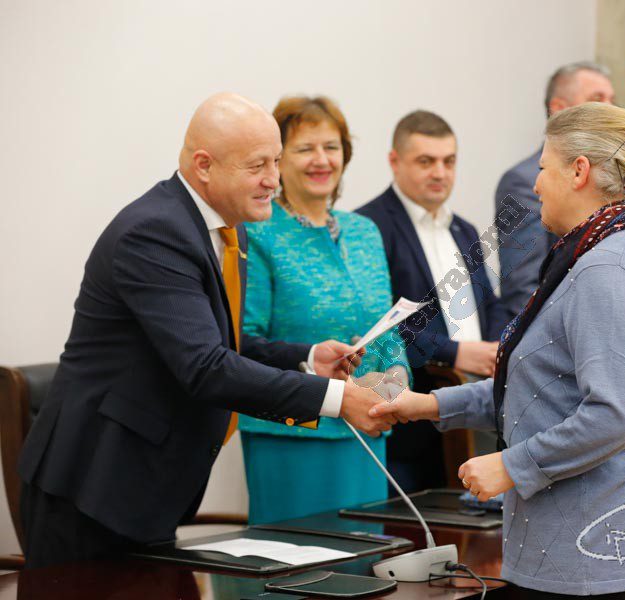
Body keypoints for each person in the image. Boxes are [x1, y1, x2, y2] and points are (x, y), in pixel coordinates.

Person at [17, 93, 395, 568]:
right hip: (94, 485)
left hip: (147, 486)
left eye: (276, 161)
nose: (274, 180)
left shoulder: (221, 227)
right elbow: (205, 367)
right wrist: (336, 398)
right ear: (203, 165)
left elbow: (221, 344)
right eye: (257, 166)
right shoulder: (155, 232)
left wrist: (305, 357)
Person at [372, 103, 625, 598]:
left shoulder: (608, 268)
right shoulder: (620, 246)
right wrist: (428, 404)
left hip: (593, 545)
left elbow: (617, 415)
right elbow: (542, 386)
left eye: (543, 168)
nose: (536, 184)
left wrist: (512, 465)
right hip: (595, 537)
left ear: (578, 172)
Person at [239, 96, 412, 524]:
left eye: (331, 147)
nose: (322, 160)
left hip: (368, 428)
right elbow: (243, 340)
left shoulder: (364, 231)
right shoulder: (257, 234)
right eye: (305, 148)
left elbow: (387, 329)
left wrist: (397, 380)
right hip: (293, 435)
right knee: (299, 558)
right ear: (278, 162)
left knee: (365, 553)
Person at [357, 110, 507, 492]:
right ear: (395, 161)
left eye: (448, 161)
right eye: (426, 161)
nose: (440, 173)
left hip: (473, 405)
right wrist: (454, 354)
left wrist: (496, 349)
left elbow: (489, 303)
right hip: (411, 413)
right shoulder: (368, 227)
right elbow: (379, 321)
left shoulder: (464, 228)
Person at [496, 61, 615, 319]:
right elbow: (524, 290)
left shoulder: (608, 179)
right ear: (559, 109)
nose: (610, 109)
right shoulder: (523, 181)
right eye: (597, 99)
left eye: (611, 100)